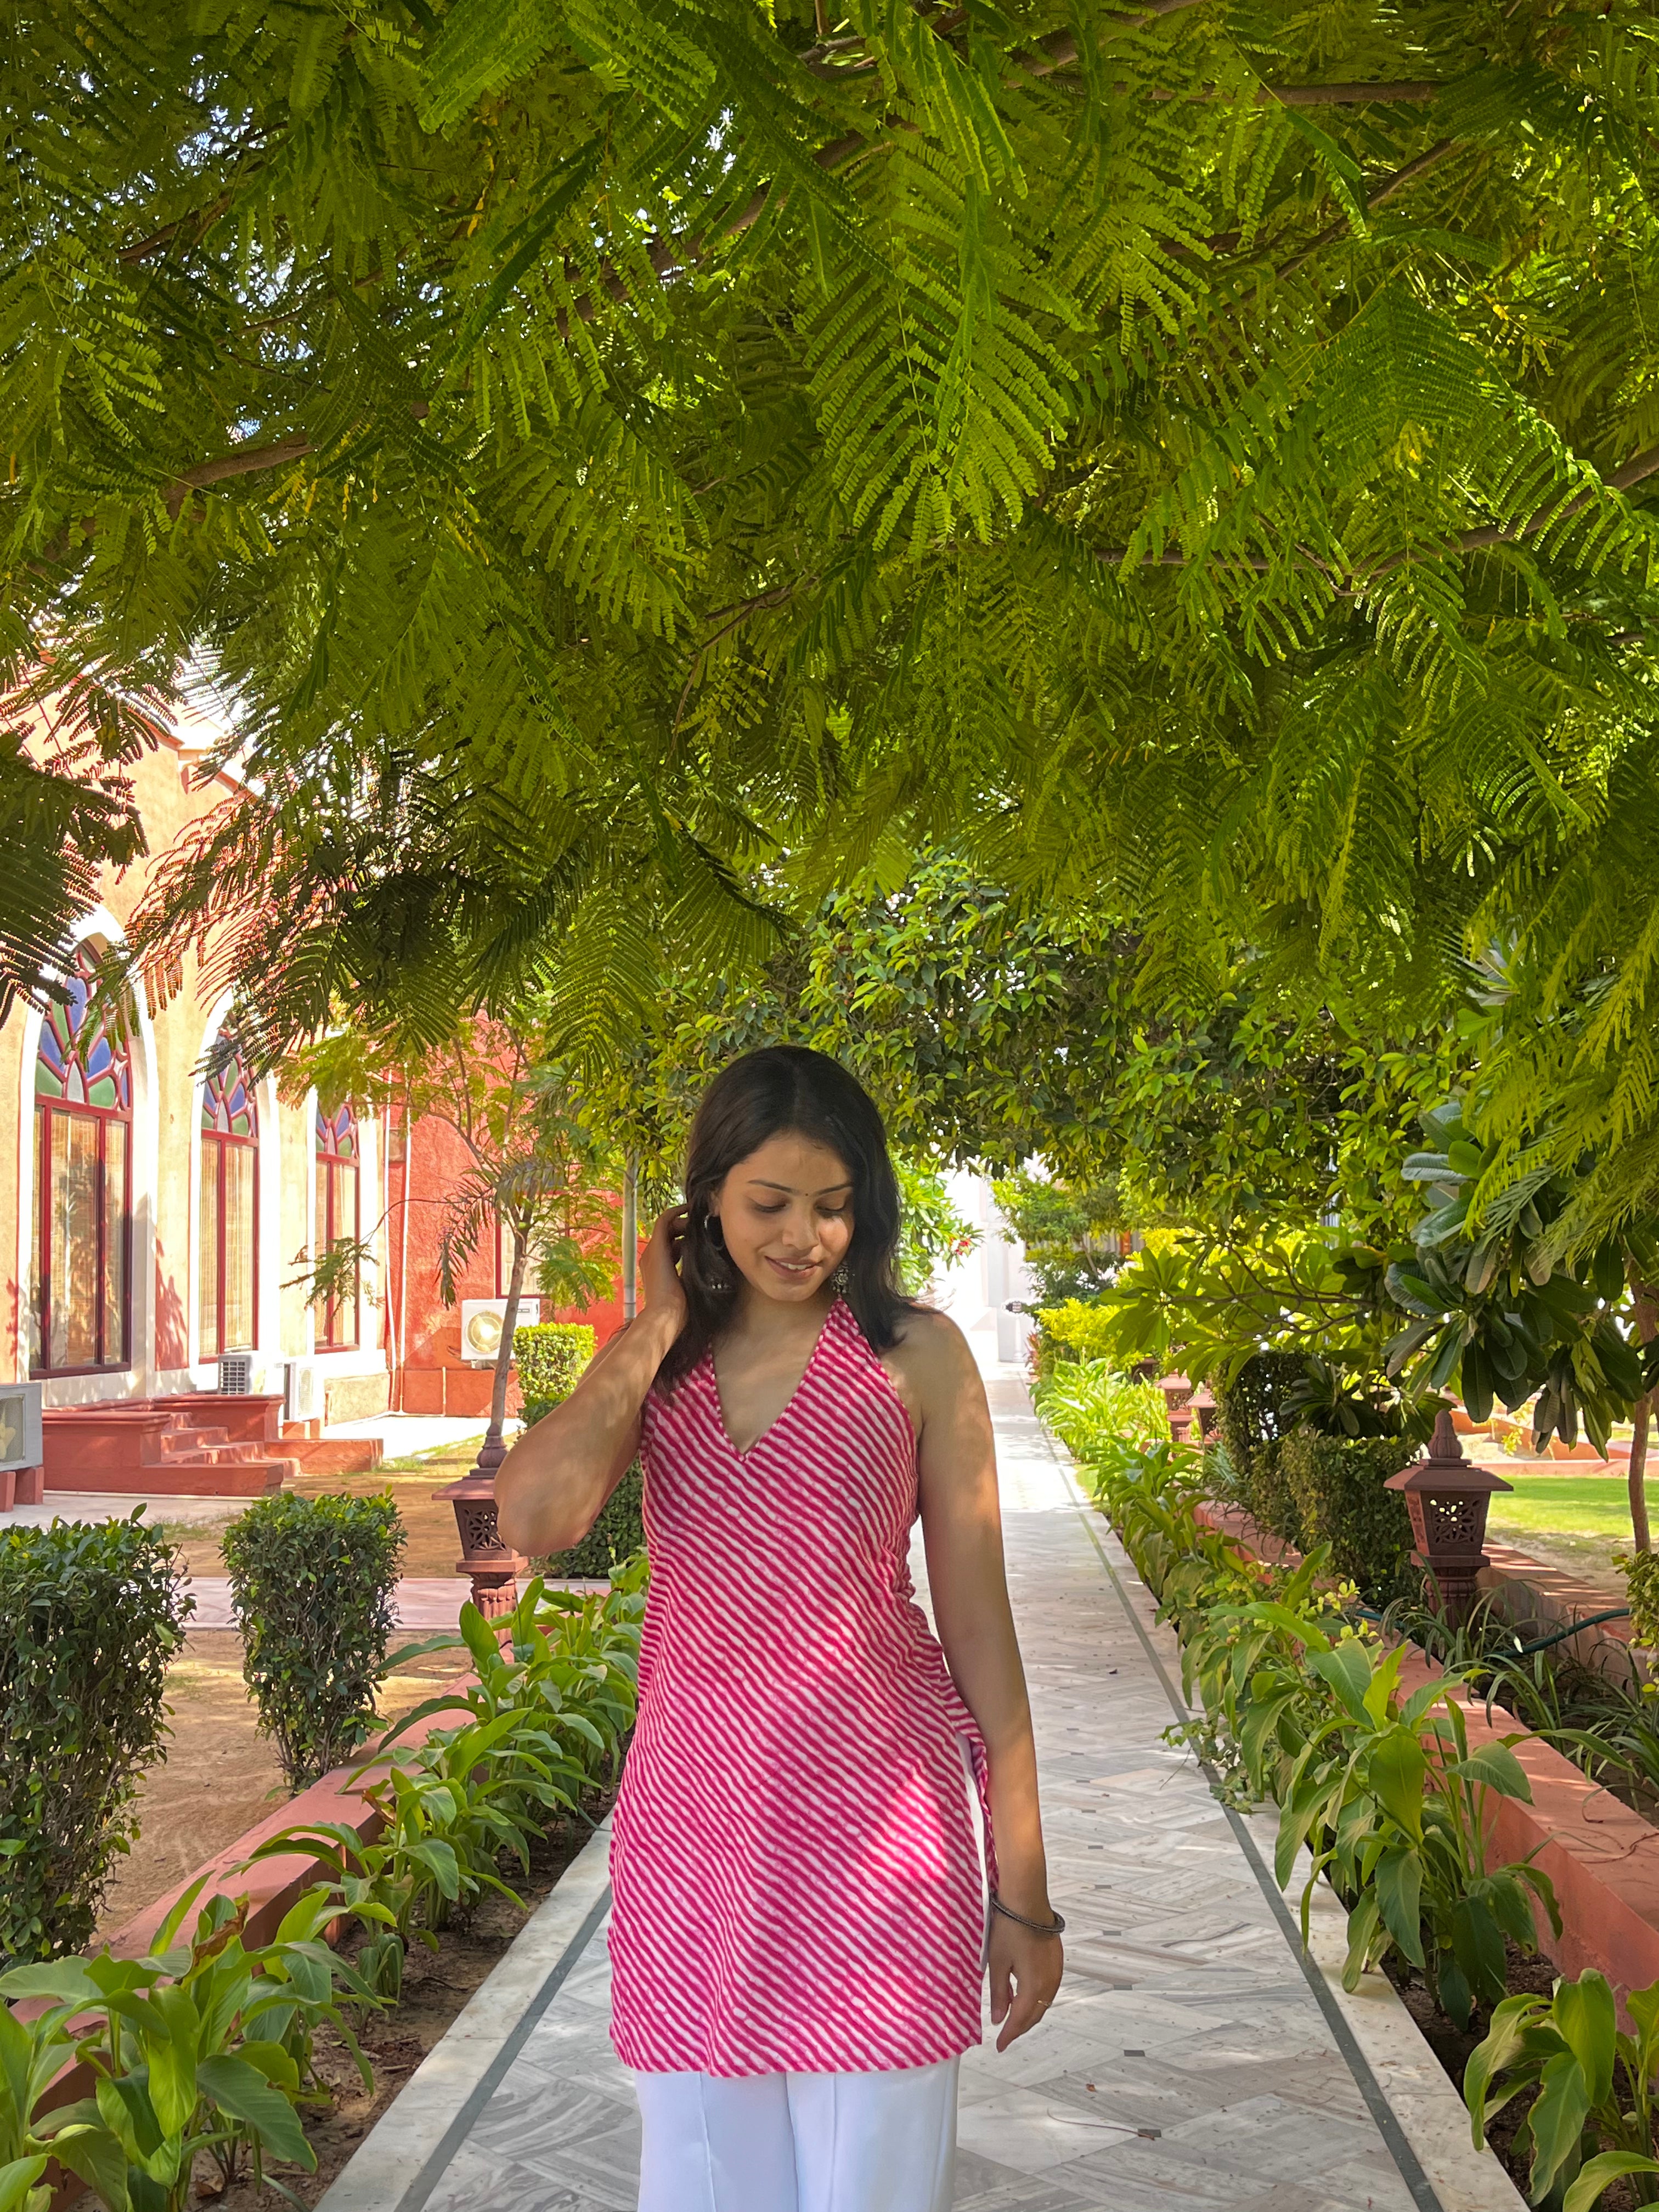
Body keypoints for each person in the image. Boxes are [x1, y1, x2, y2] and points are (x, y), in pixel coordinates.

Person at [496, 1046, 1062, 2212]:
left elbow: (981, 1637)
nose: (802, 1236)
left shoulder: (917, 1357)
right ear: (705, 1198)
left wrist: (1026, 1893)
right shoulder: (666, 1367)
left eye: (832, 1207)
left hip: (882, 1844)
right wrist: (656, 1324)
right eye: (769, 1204)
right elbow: (533, 1516)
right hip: (696, 1844)